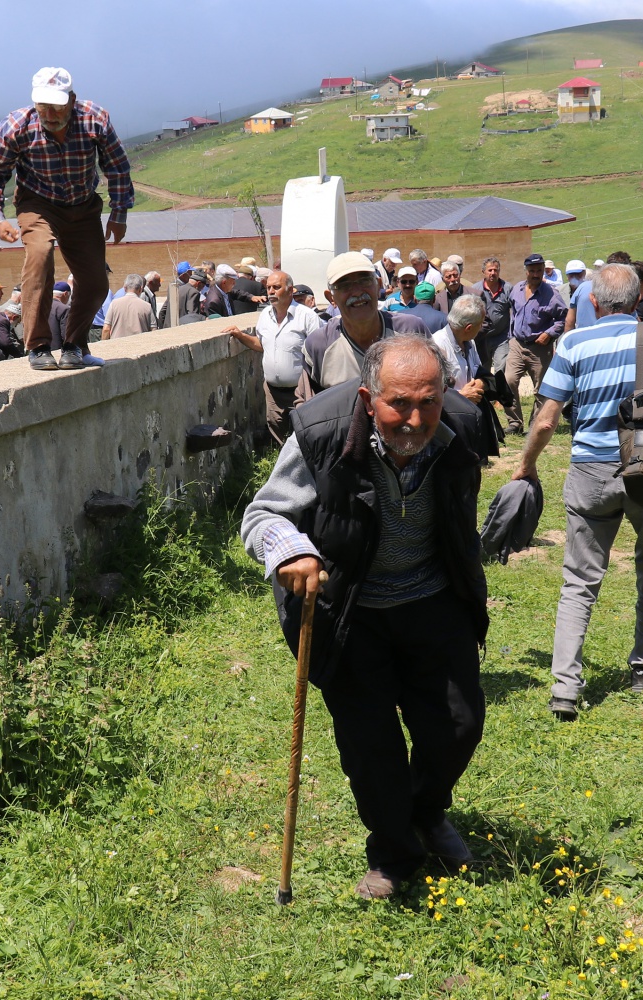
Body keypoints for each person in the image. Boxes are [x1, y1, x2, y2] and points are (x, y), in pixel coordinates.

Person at [239, 335, 491, 900]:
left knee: (458, 725)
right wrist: (289, 550)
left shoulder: (462, 426)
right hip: (350, 609)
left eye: (428, 401)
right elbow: (261, 515)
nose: (415, 417)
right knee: (371, 746)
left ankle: (425, 813)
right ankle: (394, 852)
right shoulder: (322, 433)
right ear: (367, 397)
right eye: (399, 403)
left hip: (432, 598)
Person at [512, 263, 643, 720]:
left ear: (592, 302)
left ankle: (565, 690)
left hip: (590, 472)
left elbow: (548, 418)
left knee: (579, 583)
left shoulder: (573, 342)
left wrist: (526, 464)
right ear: (639, 300)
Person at [0, 65, 132, 372]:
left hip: (82, 204)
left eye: (57, 106)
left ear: (72, 100)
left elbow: (116, 166)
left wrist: (119, 212)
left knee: (95, 281)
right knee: (39, 255)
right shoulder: (16, 126)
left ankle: (75, 345)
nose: (49, 114)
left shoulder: (95, 119)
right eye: (43, 107)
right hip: (37, 203)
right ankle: (37, 345)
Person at [297, 252, 429, 400]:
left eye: (365, 281)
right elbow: (308, 408)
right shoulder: (319, 345)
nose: (358, 292)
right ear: (331, 298)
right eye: (344, 285)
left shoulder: (411, 331)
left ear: (378, 285)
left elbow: (437, 391)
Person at [225, 269, 322, 444]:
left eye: (276, 287)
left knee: (306, 434)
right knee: (278, 433)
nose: (271, 291)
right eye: (268, 287)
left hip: (301, 391)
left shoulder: (307, 317)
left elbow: (319, 352)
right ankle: (282, 469)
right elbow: (263, 345)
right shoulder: (265, 316)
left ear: (291, 290)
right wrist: (240, 336)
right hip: (273, 392)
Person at [503, 253, 568, 428]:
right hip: (517, 344)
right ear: (526, 271)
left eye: (539, 270)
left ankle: (535, 424)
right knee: (508, 381)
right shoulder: (516, 289)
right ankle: (515, 422)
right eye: (532, 271)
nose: (536, 274)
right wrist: (511, 337)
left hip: (539, 347)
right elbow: (514, 313)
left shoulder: (551, 295)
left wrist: (550, 333)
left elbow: (563, 318)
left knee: (541, 389)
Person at [471, 256, 517, 432]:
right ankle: (483, 407)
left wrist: (512, 334)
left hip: (501, 337)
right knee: (482, 370)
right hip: (481, 339)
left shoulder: (507, 288)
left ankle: (501, 401)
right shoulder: (475, 290)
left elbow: (514, 310)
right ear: (483, 272)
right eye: (489, 270)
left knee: (501, 369)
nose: (493, 273)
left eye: (495, 270)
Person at [433, 294, 488, 408]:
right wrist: (461, 397)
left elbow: (479, 371)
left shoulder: (470, 343)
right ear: (468, 328)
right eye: (480, 324)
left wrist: (480, 383)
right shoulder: (437, 345)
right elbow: (431, 391)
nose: (482, 327)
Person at [103, 274, 155, 339]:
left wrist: (104, 345)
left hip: (117, 346)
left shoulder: (114, 304)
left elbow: (106, 329)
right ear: (140, 289)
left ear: (124, 288)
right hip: (140, 345)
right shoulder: (147, 306)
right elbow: (153, 330)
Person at [563, 259, 594, 333]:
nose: (575, 278)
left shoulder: (594, 290)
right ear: (567, 275)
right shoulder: (559, 291)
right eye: (571, 275)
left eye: (578, 274)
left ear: (584, 273)